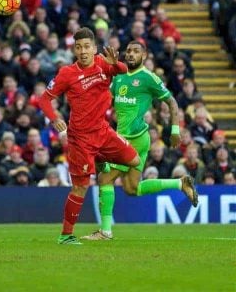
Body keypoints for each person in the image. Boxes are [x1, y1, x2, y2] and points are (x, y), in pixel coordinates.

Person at [82, 41, 198, 241]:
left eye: (136, 51)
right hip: (130, 139)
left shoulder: (149, 78)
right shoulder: (118, 77)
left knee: (105, 179)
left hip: (132, 140)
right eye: (128, 51)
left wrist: (175, 129)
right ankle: (180, 184)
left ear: (143, 55)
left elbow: (171, 101)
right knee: (132, 189)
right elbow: (102, 96)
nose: (131, 54)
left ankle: (106, 232)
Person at [38, 28, 140, 245]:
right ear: (74, 50)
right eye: (78, 47)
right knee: (81, 187)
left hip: (103, 132)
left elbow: (122, 70)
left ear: (94, 48)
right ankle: (65, 235)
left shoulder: (103, 63)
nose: (83, 51)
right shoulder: (67, 73)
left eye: (87, 46)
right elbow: (44, 100)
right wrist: (54, 117)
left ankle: (100, 161)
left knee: (134, 160)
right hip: (81, 139)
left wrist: (115, 64)